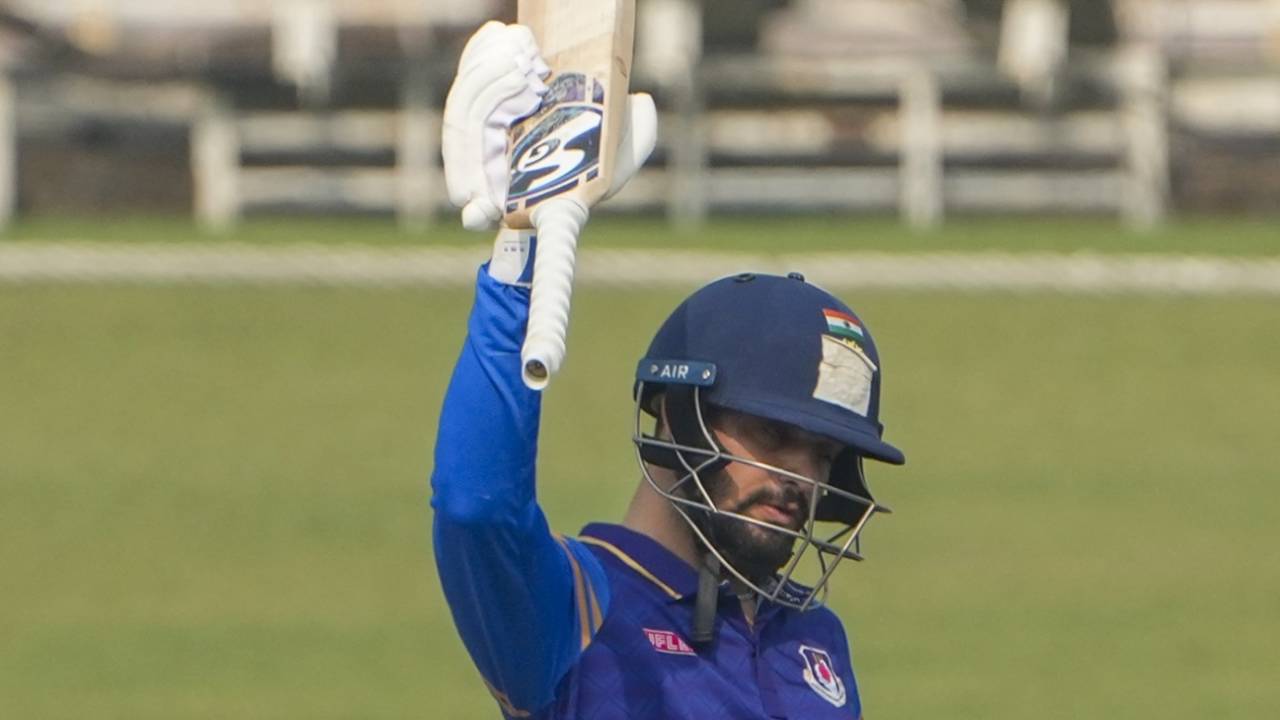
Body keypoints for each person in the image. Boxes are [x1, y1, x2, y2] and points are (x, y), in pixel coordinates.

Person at [431, 22, 905, 720]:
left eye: (824, 454)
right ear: (678, 415)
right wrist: (520, 251)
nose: (801, 478)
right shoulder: (574, 610)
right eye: (773, 436)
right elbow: (474, 506)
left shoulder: (814, 642)